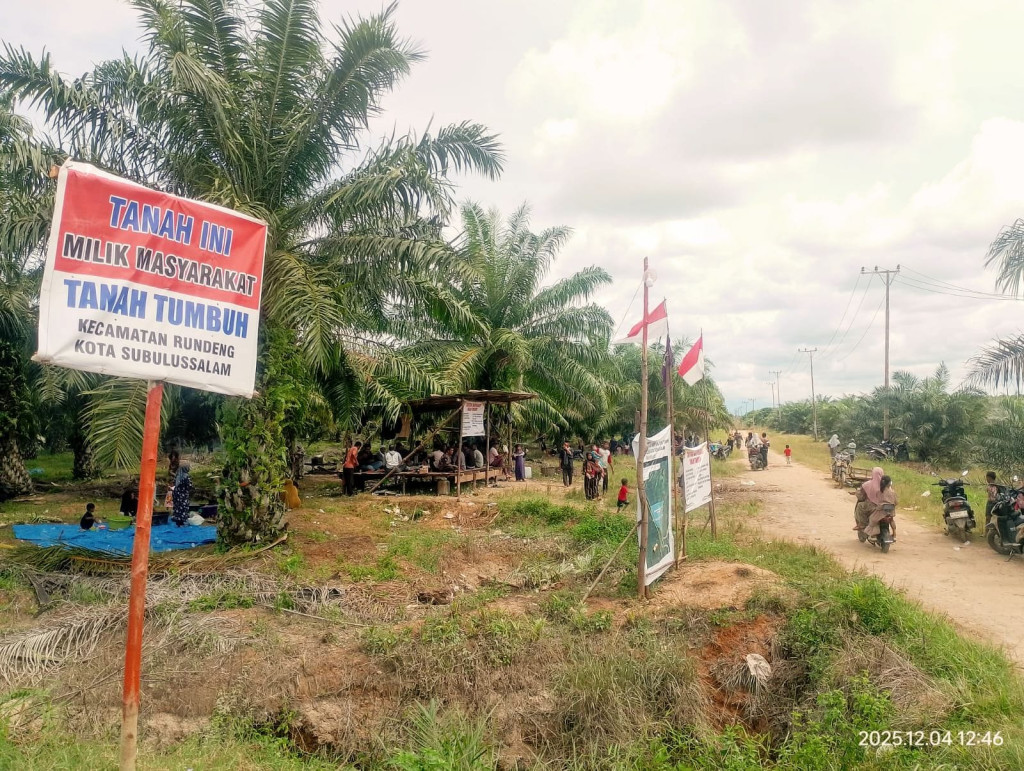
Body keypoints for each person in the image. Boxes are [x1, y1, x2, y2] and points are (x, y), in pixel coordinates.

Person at [171, 462, 195, 526]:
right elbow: (189, 486)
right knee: (183, 507)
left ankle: (178, 522)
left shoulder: (178, 475)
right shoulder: (186, 476)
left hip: (176, 493)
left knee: (177, 507)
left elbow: (174, 483)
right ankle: (182, 521)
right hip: (183, 494)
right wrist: (193, 488)